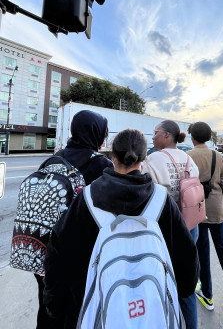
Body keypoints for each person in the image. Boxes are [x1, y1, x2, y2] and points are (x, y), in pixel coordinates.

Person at [43, 129, 199, 328]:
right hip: (153, 312)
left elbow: (58, 257)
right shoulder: (161, 200)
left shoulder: (87, 199)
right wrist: (182, 291)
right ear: (143, 158)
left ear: (112, 156)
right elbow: (186, 258)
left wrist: (55, 307)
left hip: (97, 313)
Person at [35, 110, 113, 329]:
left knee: (47, 306)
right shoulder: (101, 166)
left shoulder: (53, 159)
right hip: (81, 255)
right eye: (104, 132)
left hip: (45, 250)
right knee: (77, 311)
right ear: (95, 133)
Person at [141, 120, 199, 329]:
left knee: (164, 283)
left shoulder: (152, 159)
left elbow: (145, 194)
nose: (153, 137)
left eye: (155, 133)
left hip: (166, 229)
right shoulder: (188, 158)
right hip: (191, 225)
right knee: (187, 285)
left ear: (166, 136)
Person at [187, 121, 223, 315]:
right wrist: (219, 200)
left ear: (193, 137)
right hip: (217, 211)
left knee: (202, 253)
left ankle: (207, 295)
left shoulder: (188, 157)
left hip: (197, 211)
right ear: (210, 137)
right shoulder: (218, 156)